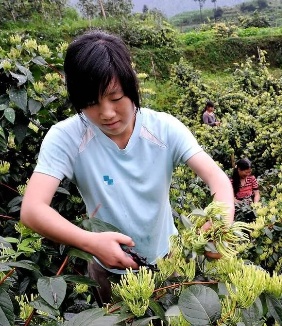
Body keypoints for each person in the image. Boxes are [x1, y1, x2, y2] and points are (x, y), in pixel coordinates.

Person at [20, 30, 234, 305]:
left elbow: (218, 180)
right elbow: (32, 209)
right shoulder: (67, 137)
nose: (106, 113)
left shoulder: (164, 129)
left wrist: (219, 224)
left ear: (131, 86)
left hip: (169, 263)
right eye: (91, 103)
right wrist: (90, 242)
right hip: (107, 271)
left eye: (115, 97)